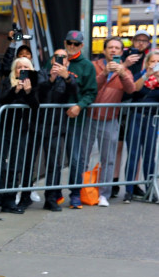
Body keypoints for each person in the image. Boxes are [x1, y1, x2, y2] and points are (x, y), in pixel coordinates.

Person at [80, 36, 135, 207]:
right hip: (89, 117)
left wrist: (122, 72)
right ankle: (79, 191)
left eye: (117, 48)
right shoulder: (93, 66)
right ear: (104, 50)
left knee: (108, 158)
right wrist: (104, 73)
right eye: (110, 47)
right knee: (82, 157)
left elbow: (131, 89)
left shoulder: (124, 71)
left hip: (110, 119)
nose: (113, 50)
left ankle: (104, 193)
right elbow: (90, 88)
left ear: (121, 52)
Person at [0, 57, 40, 216]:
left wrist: (28, 91)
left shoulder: (34, 84)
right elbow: (3, 100)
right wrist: (16, 90)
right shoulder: (7, 82)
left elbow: (36, 105)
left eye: (25, 67)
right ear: (14, 69)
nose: (22, 70)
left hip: (22, 130)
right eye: (19, 67)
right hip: (5, 129)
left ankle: (10, 201)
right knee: (1, 166)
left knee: (15, 166)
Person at [37, 48, 79, 211]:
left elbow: (75, 93)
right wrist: (52, 78)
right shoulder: (42, 73)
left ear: (68, 61)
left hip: (56, 127)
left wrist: (65, 77)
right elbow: (39, 91)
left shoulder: (69, 77)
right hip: (37, 126)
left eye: (64, 57)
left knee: (54, 164)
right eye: (58, 57)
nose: (60, 59)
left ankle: (51, 199)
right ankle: (24, 198)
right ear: (52, 59)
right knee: (27, 163)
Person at [62, 30, 98, 209]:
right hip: (53, 117)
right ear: (65, 42)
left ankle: (75, 193)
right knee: (52, 157)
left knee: (75, 157)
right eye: (69, 42)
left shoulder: (87, 66)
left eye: (76, 44)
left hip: (75, 118)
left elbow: (91, 92)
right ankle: (52, 194)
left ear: (82, 46)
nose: (72, 46)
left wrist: (79, 106)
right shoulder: (57, 58)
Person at [123, 49, 159, 202]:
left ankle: (150, 189)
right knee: (133, 154)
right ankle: (129, 191)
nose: (156, 64)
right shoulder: (141, 75)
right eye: (153, 61)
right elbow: (134, 89)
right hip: (137, 117)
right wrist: (147, 75)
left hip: (152, 119)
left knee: (149, 157)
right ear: (147, 63)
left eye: (158, 62)